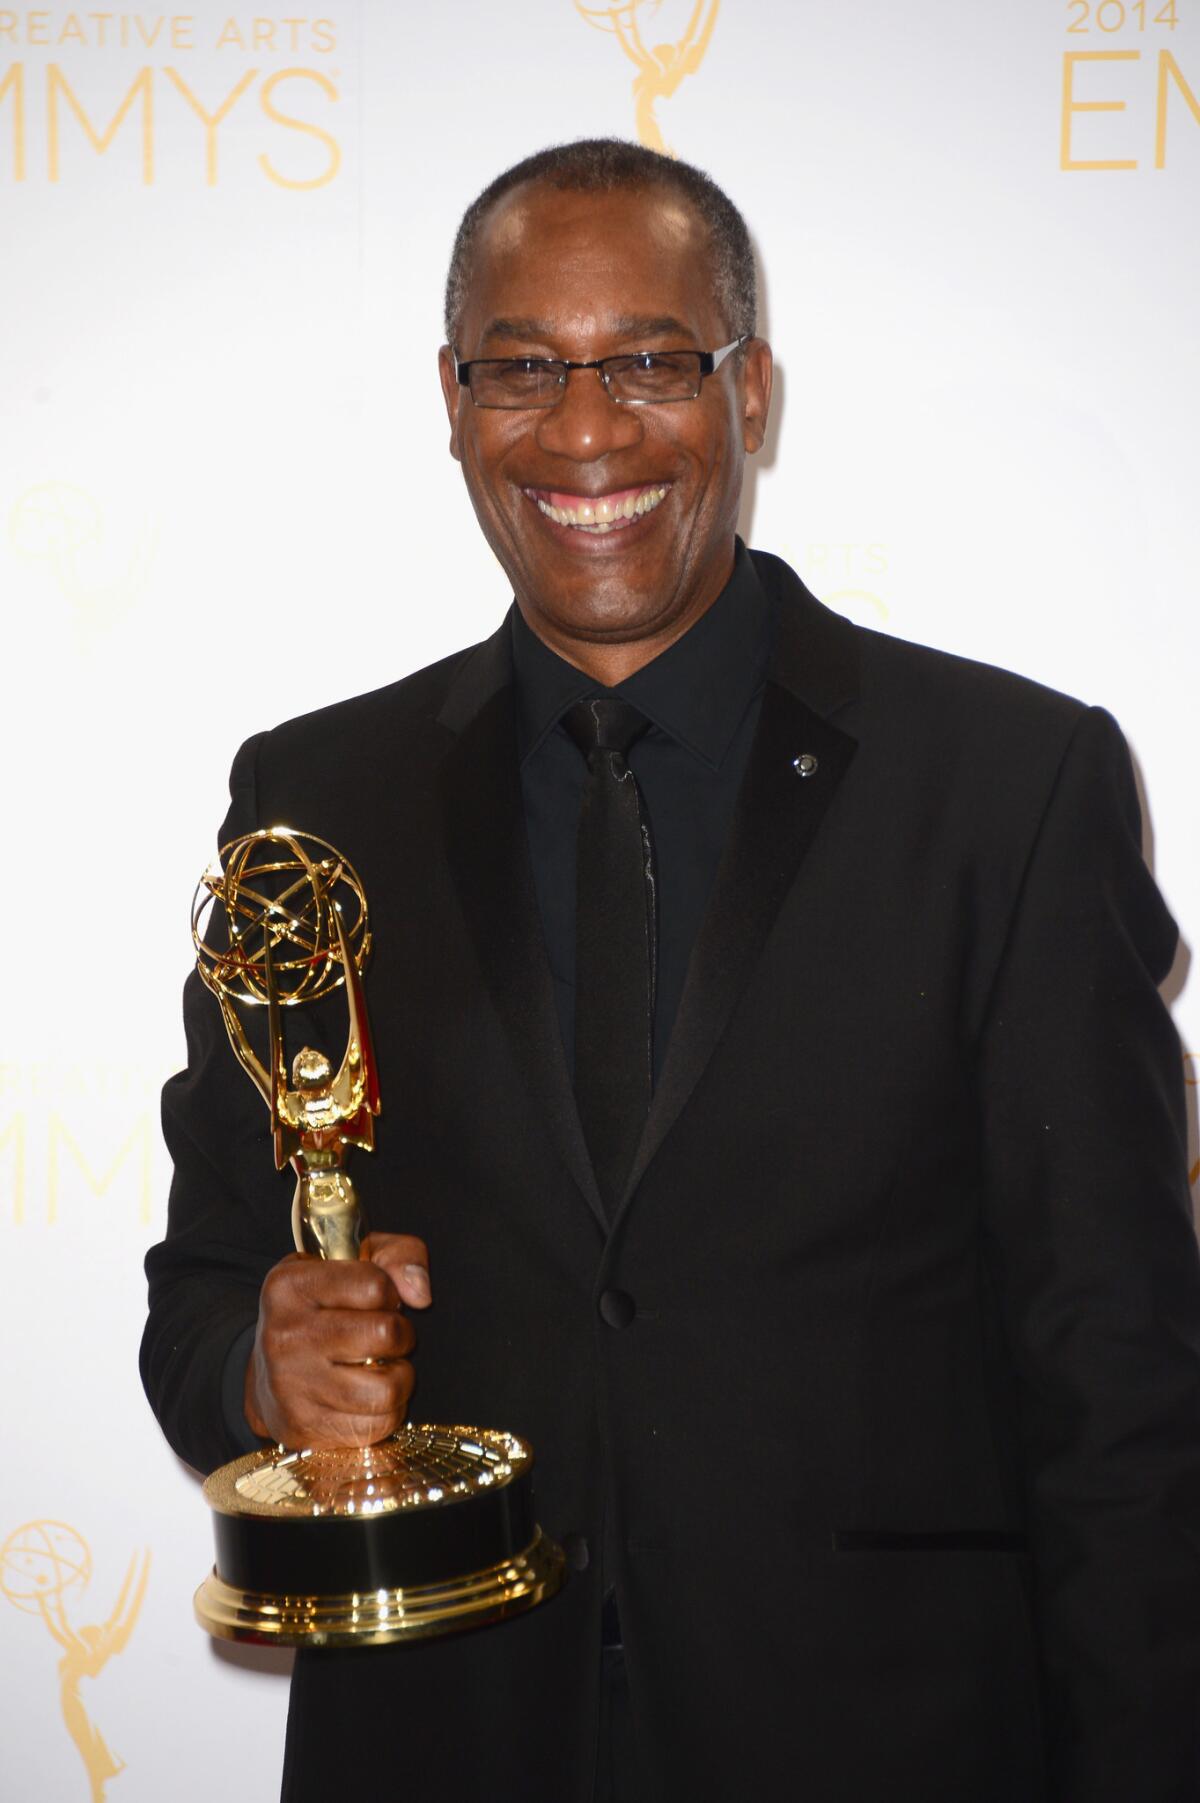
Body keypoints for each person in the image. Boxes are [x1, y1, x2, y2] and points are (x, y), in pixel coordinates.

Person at [141, 138, 1200, 1803]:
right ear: (451, 396)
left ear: (750, 390)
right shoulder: (314, 799)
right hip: (443, 1740)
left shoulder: (1009, 785)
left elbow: (1125, 1379)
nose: (584, 429)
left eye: (649, 358)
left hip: (893, 1746)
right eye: (522, 368)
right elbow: (203, 1285)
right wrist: (258, 1367)